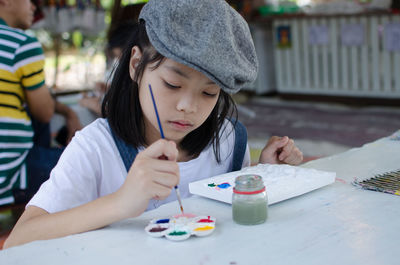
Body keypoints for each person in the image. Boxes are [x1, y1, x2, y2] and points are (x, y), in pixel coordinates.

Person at [4, 0, 303, 248]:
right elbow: (20, 238)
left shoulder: (227, 140)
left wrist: (263, 176)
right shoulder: (96, 148)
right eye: (172, 84)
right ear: (136, 65)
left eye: (209, 92)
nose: (188, 106)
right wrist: (122, 202)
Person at [0, 0, 82, 206]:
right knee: (86, 165)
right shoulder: (21, 44)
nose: (35, 7)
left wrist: (67, 112)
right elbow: (45, 112)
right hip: (9, 175)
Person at [79, 22, 140, 116]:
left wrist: (92, 105)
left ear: (135, 53)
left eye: (121, 57)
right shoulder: (132, 75)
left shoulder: (142, 78)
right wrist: (110, 88)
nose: (120, 61)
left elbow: (123, 117)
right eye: (117, 57)